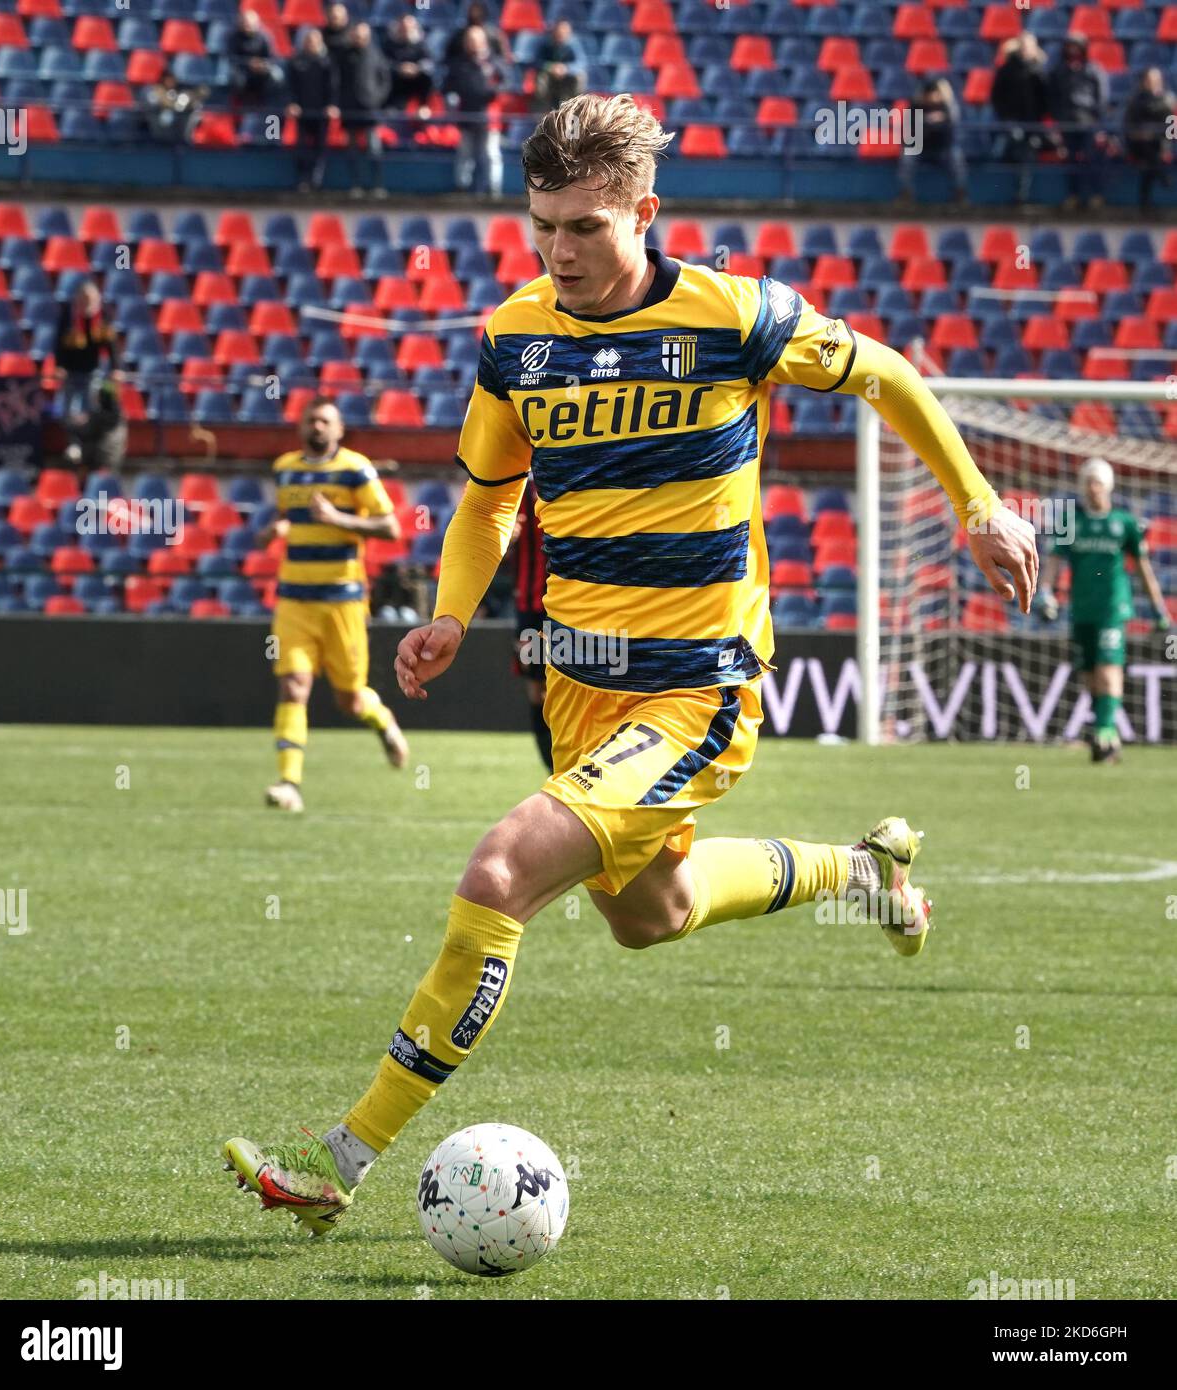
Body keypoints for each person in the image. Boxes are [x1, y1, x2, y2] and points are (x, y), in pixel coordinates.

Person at [221, 94, 1037, 1232]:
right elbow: (487, 497)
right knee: (654, 912)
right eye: (541, 226)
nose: (560, 251)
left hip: (697, 683)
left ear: (643, 213)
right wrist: (453, 612)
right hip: (576, 687)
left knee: (501, 871)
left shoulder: (737, 316)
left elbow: (888, 377)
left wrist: (980, 506)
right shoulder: (517, 338)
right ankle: (863, 873)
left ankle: (338, 1159)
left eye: (585, 229)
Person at [260, 398, 409, 815]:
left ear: (340, 429)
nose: (318, 426)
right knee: (293, 686)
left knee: (351, 701)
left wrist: (337, 519)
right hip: (294, 600)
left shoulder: (355, 469)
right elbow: (281, 519)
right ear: (301, 427)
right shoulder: (285, 468)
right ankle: (289, 783)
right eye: (311, 420)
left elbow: (391, 526)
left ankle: (382, 720)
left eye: (325, 421)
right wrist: (272, 531)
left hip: (342, 602)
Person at [1039, 459, 1169, 764]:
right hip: (1081, 609)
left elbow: (1143, 569)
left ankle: (1104, 732)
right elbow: (1055, 562)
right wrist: (1046, 592)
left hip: (1113, 609)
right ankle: (1106, 738)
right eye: (1088, 482)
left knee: (1108, 669)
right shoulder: (1071, 521)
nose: (1092, 487)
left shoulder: (1124, 523)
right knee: (1089, 676)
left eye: (1098, 482)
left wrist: (1159, 610)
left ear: (1108, 485)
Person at [511, 478, 552, 771]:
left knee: (575, 684)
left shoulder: (577, 471)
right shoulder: (516, 485)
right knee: (538, 690)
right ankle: (553, 770)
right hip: (530, 605)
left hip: (577, 603)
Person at [1048, 33, 1109, 211]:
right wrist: (1058, 119)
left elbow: (1102, 97)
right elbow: (1053, 98)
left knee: (1092, 159)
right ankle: (1072, 196)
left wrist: (1098, 120)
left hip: (1088, 121)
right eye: (1070, 46)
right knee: (1070, 161)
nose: (1073, 50)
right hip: (1067, 122)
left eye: (1076, 46)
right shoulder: (1059, 70)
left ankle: (1096, 196)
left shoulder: (1093, 69)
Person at [443, 24, 504, 196]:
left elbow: (506, 82)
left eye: (476, 40)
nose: (473, 44)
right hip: (466, 115)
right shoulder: (459, 63)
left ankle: (494, 190)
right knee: (465, 155)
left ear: (483, 41)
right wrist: (452, 98)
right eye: (469, 40)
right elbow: (447, 86)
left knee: (491, 155)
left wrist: (494, 91)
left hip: (488, 116)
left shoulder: (494, 62)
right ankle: (462, 187)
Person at [990, 34, 1051, 206]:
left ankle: (1021, 194)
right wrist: (1005, 116)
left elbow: (1046, 99)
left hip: (1032, 123)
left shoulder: (1039, 71)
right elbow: (997, 97)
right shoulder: (1007, 69)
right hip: (1011, 121)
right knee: (1008, 146)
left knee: (1026, 153)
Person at [336, 21, 391, 196]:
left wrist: (376, 99)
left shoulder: (376, 54)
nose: (360, 38)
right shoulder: (344, 55)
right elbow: (337, 81)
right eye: (357, 35)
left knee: (374, 149)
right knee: (352, 151)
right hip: (350, 110)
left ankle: (377, 185)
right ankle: (355, 185)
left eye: (363, 35)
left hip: (370, 110)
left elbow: (385, 80)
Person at [897, 76, 966, 205]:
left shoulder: (946, 107)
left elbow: (948, 129)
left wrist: (930, 124)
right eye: (929, 94)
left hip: (941, 148)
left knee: (956, 155)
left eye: (935, 94)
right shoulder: (915, 107)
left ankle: (960, 192)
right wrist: (929, 122)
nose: (932, 97)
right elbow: (912, 131)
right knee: (907, 156)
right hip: (920, 148)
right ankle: (906, 193)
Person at [287, 27, 340, 192]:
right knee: (301, 147)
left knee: (321, 148)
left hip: (321, 113)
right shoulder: (296, 61)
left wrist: (332, 104)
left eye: (315, 41)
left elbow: (333, 86)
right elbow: (290, 86)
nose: (312, 44)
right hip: (302, 113)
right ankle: (302, 180)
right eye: (309, 41)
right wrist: (292, 103)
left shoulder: (328, 61)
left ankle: (316, 181)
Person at [54, 280, 115, 421]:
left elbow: (112, 345)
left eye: (90, 300)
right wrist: (59, 366)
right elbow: (58, 343)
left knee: (91, 408)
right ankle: (72, 440)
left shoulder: (102, 317)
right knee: (68, 409)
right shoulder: (69, 316)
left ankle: (90, 441)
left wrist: (115, 367)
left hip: (92, 368)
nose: (87, 303)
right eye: (84, 299)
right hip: (70, 369)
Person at [1124, 67, 1175, 211]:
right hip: (1139, 144)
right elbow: (1129, 127)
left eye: (1156, 80)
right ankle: (1162, 178)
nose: (1153, 83)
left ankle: (1146, 202)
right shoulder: (1136, 100)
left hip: (1161, 142)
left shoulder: (1168, 99)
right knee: (1148, 152)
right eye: (1150, 80)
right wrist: (1141, 134)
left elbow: (1172, 127)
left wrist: (1165, 142)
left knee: (1151, 161)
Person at [63, 377, 127, 472]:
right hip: (116, 459)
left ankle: (79, 480)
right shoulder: (120, 414)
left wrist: (71, 424)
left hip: (101, 459)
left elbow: (85, 433)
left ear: (102, 397)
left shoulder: (99, 415)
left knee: (73, 451)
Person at [227, 8, 283, 109]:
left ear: (256, 24)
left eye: (250, 23)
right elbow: (231, 58)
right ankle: (241, 105)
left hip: (261, 69)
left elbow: (272, 58)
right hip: (242, 69)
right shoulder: (234, 37)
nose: (247, 26)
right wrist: (248, 63)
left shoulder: (264, 37)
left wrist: (262, 65)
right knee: (236, 78)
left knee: (277, 75)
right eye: (244, 23)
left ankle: (268, 104)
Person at [532, 19, 587, 112]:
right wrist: (551, 67)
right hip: (550, 76)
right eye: (559, 32)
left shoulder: (573, 44)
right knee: (541, 78)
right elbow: (537, 62)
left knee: (580, 76)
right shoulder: (545, 43)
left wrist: (566, 68)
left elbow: (581, 63)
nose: (561, 34)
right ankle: (543, 109)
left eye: (564, 32)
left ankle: (575, 106)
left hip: (567, 77)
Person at [383, 13, 434, 114]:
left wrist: (416, 68)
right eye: (403, 27)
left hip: (417, 93)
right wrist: (399, 68)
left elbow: (429, 64)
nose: (406, 30)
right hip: (395, 94)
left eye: (409, 27)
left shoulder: (421, 46)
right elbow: (383, 64)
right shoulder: (389, 45)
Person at [142, 71, 208, 144]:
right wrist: (172, 105)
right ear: (163, 80)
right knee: (166, 115)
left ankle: (185, 140)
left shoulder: (179, 90)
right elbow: (166, 103)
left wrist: (191, 99)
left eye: (172, 80)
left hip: (179, 121)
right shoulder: (157, 90)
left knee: (195, 114)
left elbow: (203, 91)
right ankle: (161, 140)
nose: (171, 82)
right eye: (168, 80)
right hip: (159, 121)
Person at [443, 2, 511, 68]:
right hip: (466, 72)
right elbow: (449, 57)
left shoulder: (494, 34)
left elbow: (505, 57)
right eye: (472, 41)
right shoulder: (458, 36)